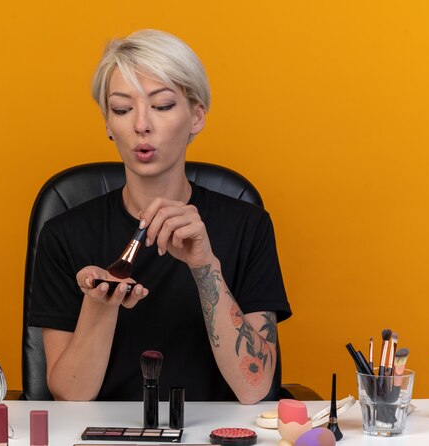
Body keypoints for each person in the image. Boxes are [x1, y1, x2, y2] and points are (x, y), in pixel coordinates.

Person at [28, 29, 291, 404]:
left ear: (196, 116)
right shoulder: (64, 233)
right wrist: (99, 306)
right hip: (102, 436)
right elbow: (70, 397)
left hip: (215, 435)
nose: (141, 125)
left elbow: (255, 388)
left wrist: (205, 266)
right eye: (121, 109)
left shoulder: (248, 226)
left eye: (163, 106)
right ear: (107, 123)